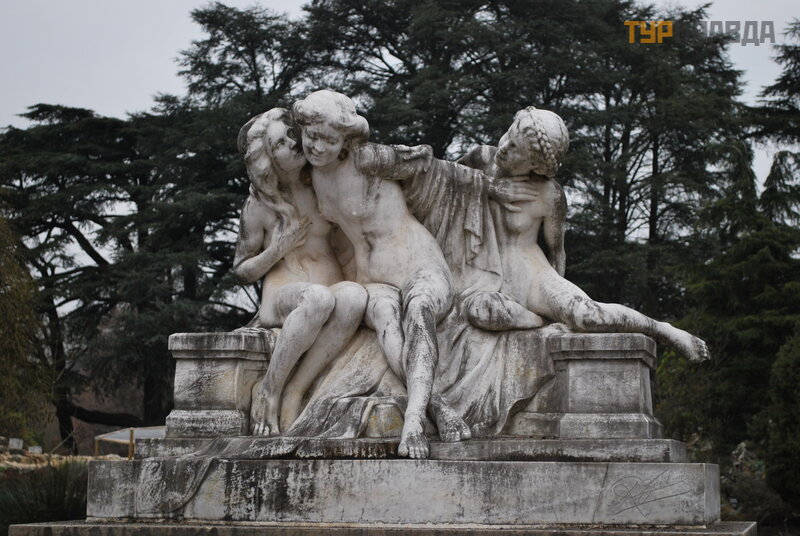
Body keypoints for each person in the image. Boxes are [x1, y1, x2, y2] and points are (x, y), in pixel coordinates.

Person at [458, 107, 710, 362]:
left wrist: (558, 298)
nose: (504, 148)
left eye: (516, 149)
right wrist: (490, 187)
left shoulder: (550, 195)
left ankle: (663, 329)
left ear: (535, 165)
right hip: (482, 274)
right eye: (508, 135)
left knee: (587, 316)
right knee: (482, 311)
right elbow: (443, 181)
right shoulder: (481, 159)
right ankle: (536, 320)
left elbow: (557, 252)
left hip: (532, 276)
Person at [233, 108, 368, 436]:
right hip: (284, 294)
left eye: (292, 135)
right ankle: (269, 390)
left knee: (354, 296)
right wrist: (277, 250)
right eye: (280, 143)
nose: (293, 144)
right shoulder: (260, 205)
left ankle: (296, 390)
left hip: (330, 286)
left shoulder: (323, 186)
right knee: (318, 299)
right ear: (267, 158)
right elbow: (242, 270)